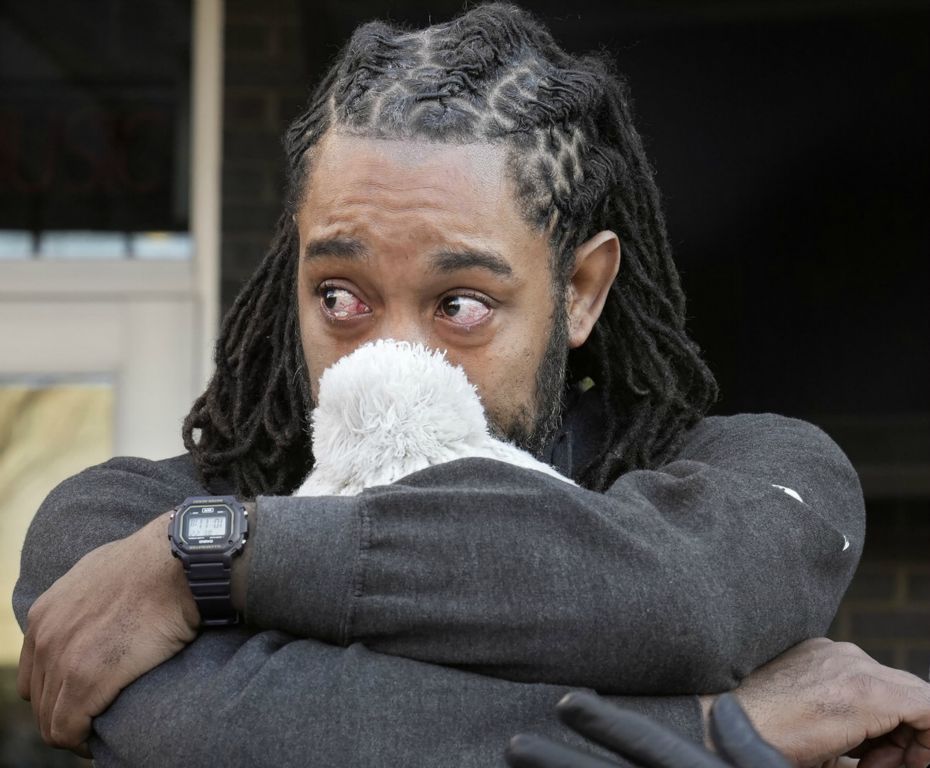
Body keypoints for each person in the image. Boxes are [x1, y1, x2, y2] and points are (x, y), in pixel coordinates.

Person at [12, 4, 929, 766]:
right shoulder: (115, 525)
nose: (388, 359)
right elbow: (243, 741)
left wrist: (218, 562)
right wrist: (717, 730)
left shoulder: (759, 474)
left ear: (580, 290)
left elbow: (682, 603)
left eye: (461, 303)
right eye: (340, 295)